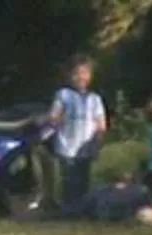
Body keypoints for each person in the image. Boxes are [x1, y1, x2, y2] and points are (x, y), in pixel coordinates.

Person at [46, 55, 107, 217]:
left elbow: (100, 123)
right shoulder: (63, 95)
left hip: (85, 147)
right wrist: (54, 119)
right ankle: (68, 210)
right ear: (69, 76)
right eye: (76, 73)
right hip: (67, 145)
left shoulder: (94, 99)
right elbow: (54, 116)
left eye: (84, 73)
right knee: (69, 179)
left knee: (83, 179)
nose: (81, 77)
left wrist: (97, 142)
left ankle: (82, 209)